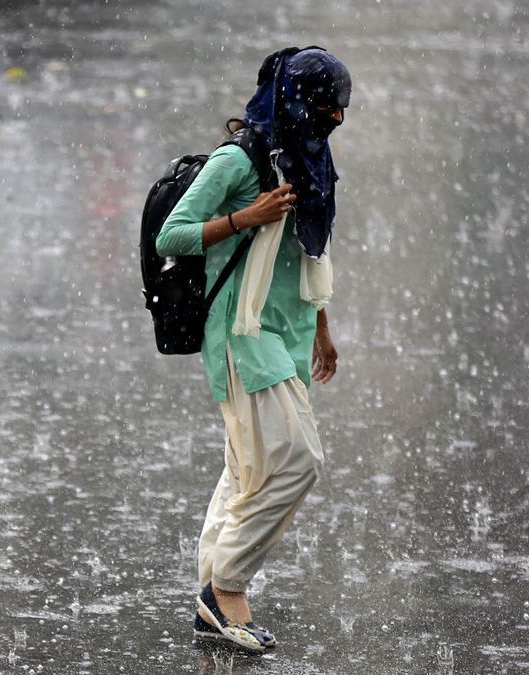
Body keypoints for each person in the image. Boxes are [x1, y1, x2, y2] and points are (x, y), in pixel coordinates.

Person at [154, 46, 351, 652]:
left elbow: (306, 255)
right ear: (292, 98)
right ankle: (227, 589)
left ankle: (209, 597)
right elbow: (175, 234)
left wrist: (321, 327)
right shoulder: (237, 161)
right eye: (324, 105)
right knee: (298, 462)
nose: (336, 119)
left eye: (342, 108)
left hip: (287, 335)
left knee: (246, 470)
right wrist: (248, 217)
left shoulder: (311, 159)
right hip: (240, 335)